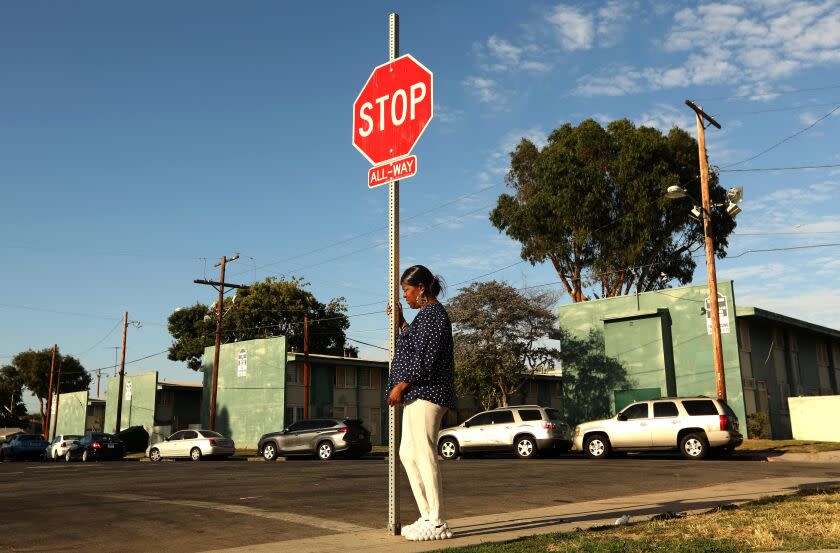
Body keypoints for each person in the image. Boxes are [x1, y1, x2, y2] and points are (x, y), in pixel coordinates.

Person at [386, 264, 457, 541]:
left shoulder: (434, 315)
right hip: (418, 393)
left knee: (425, 455)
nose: (405, 296)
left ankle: (437, 522)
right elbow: (415, 347)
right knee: (407, 453)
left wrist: (400, 387)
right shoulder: (425, 317)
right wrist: (403, 322)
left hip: (428, 394)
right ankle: (428, 516)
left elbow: (423, 361)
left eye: (407, 290)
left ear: (422, 288)